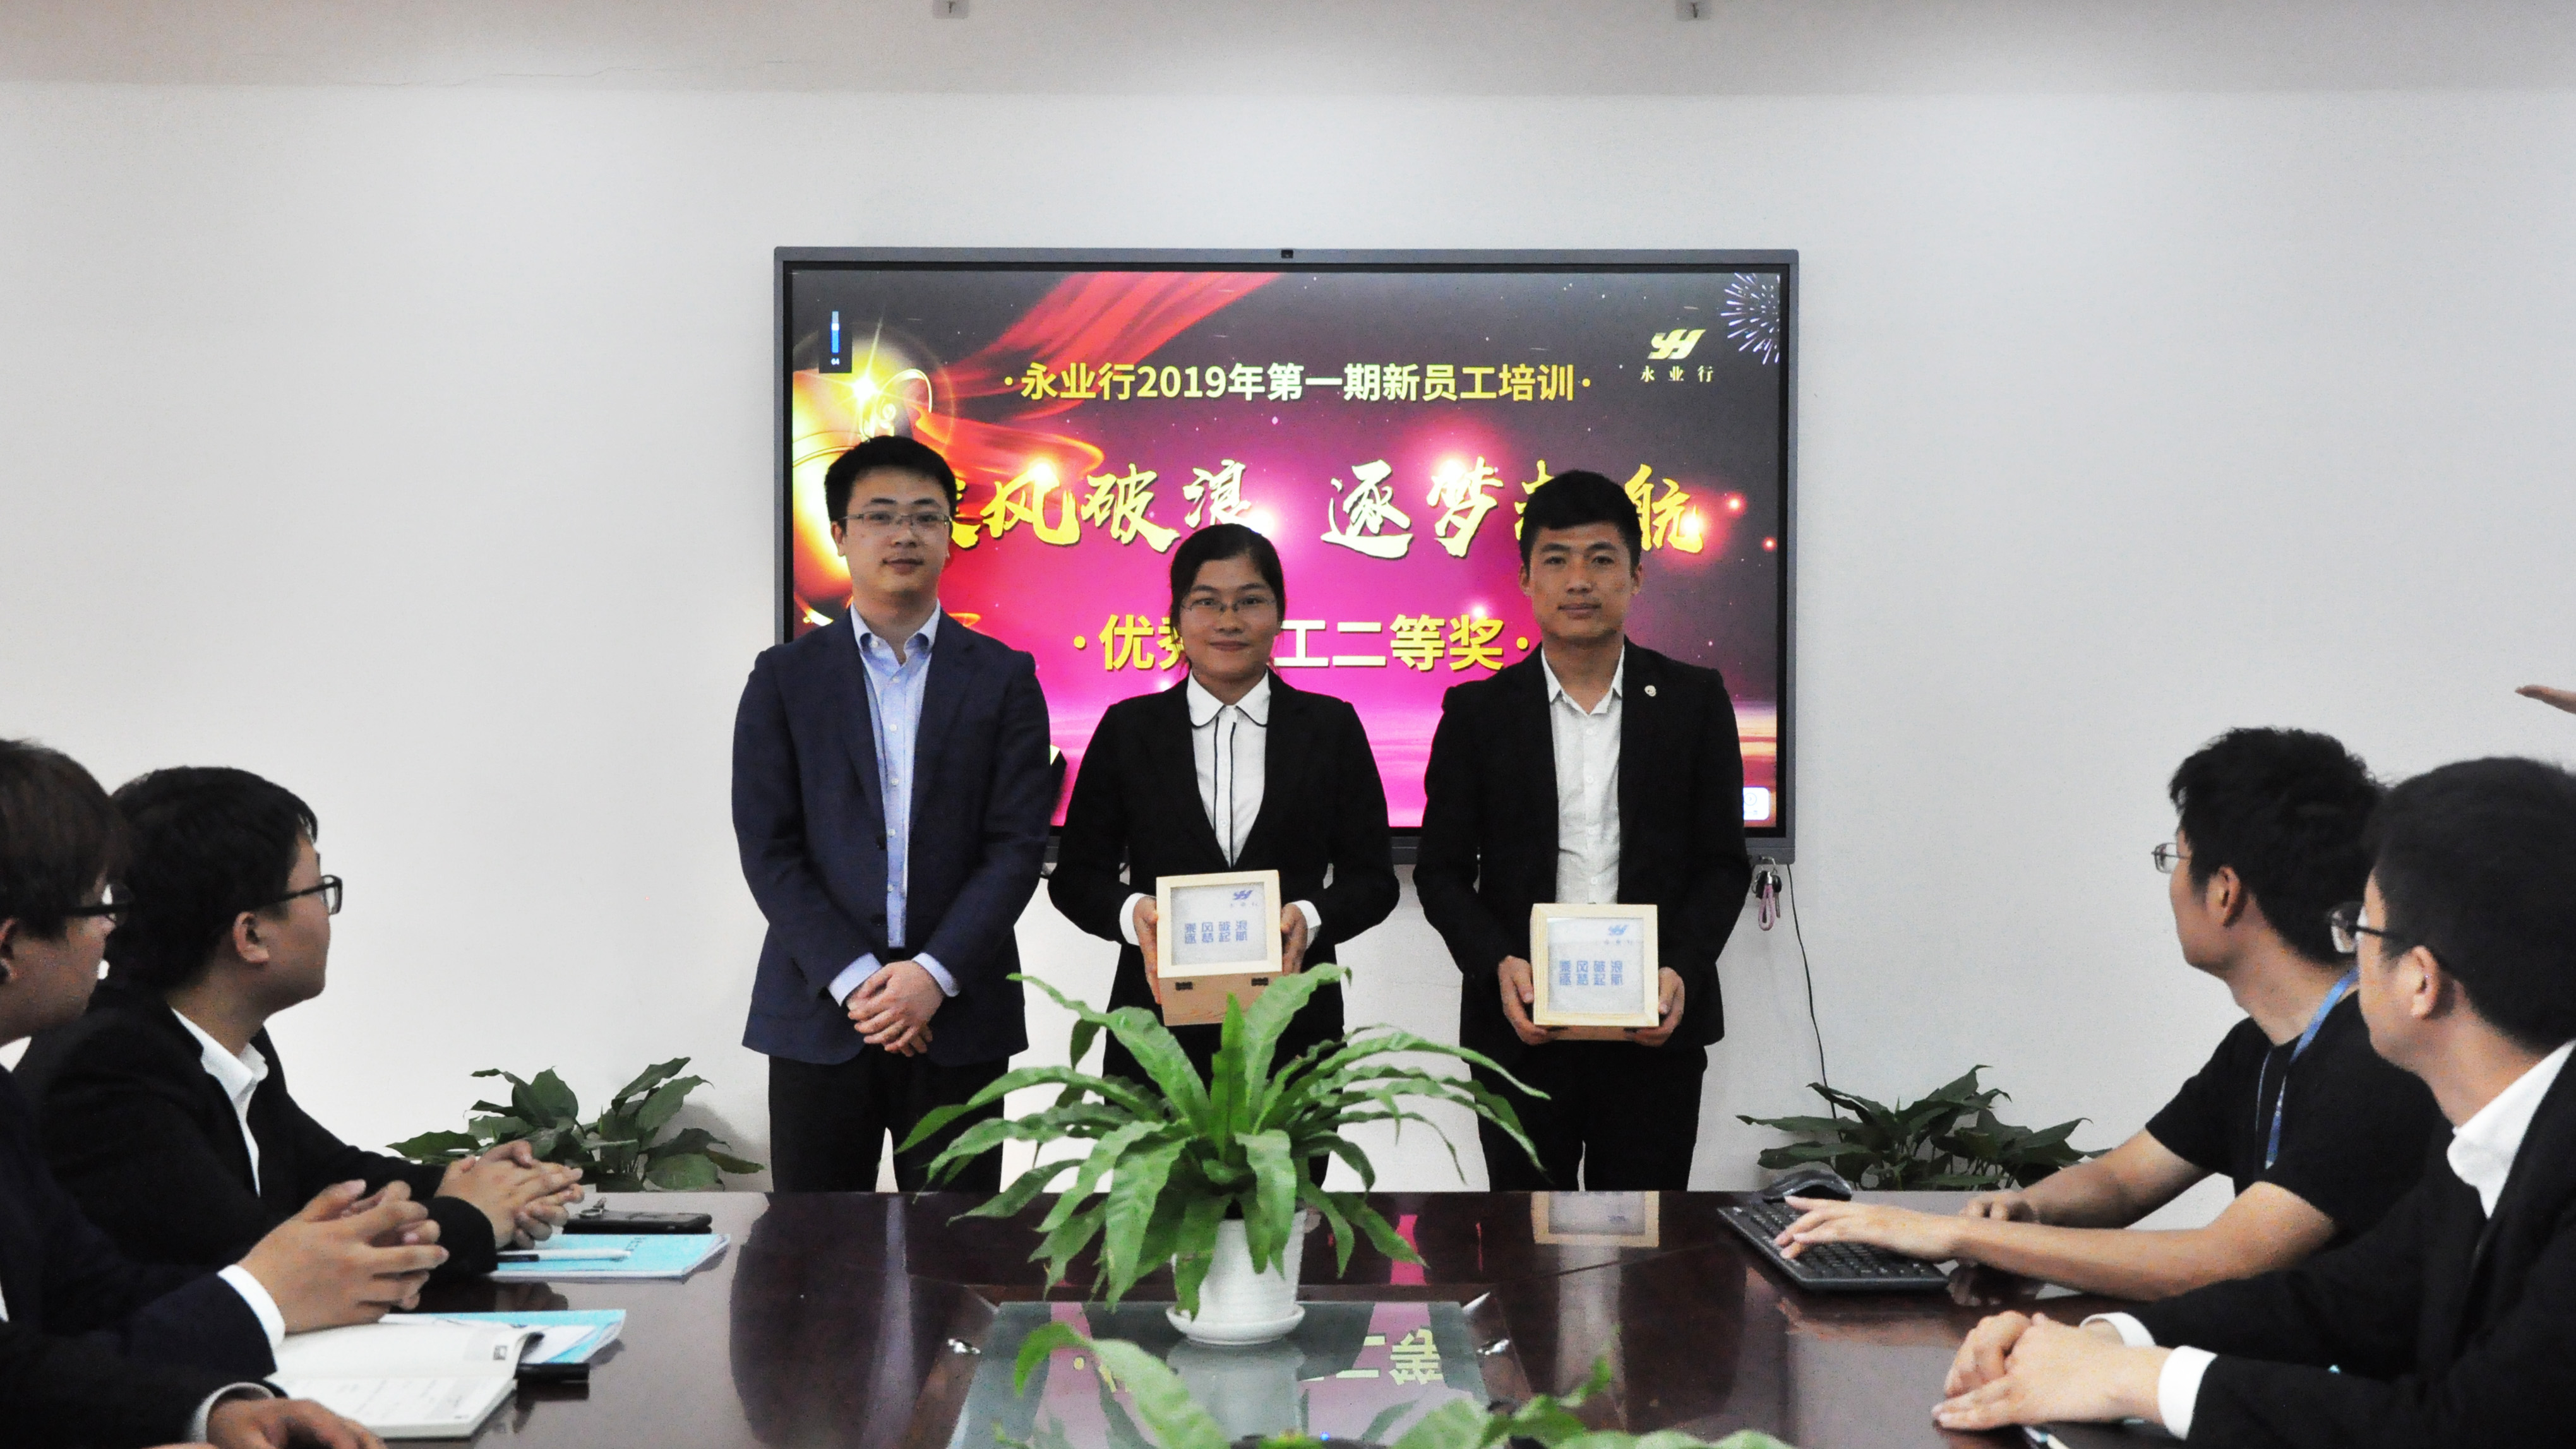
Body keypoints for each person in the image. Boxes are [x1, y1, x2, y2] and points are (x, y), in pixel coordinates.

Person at [1934, 756, 2576, 1445]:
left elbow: (2465, 1430)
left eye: (2359, 929)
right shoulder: (2480, 1139)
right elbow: (2337, 1302)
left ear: (2420, 981)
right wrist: (2105, 1340)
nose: (2347, 955)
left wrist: (2139, 1379)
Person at [1773, 729, 2444, 1299]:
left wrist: (1956, 1235)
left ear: (2224, 892)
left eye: (2175, 859)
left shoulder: (2377, 1062)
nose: (2170, 884)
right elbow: (2121, 1181)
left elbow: (2223, 1261)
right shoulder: (2258, 1047)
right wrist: (2030, 1207)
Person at [0, 737, 420, 1448]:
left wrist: (211, 1409)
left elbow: (85, 1298)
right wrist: (266, 1287)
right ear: (8, 946)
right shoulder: (109, 1061)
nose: (110, 928)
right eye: (95, 905)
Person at [18, 766, 582, 1277]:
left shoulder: (219, 1042)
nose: (328, 915)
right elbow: (266, 1262)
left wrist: (472, 1182)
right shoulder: (107, 1072)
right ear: (251, 934)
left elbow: (332, 1174)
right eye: (319, 889)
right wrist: (472, 1217)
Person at [1415, 469, 1753, 1190]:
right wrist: (1496, 963)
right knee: (1524, 1240)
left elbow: (1724, 863)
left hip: (1653, 1028)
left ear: (1635, 576)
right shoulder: (1477, 713)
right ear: (1526, 578)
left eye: (1601, 559)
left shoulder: (1693, 702)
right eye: (1556, 560)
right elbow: (1441, 871)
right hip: (1522, 1028)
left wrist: (1679, 968)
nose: (1578, 580)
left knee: (1644, 1238)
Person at [733, 434, 1054, 1191]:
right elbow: (769, 848)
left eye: (925, 516)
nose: (904, 535)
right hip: (820, 1014)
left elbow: (1015, 846)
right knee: (815, 1249)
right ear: (840, 535)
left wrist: (931, 976)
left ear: (949, 534)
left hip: (958, 1015)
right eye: (879, 516)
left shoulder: (1004, 677)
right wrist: (857, 981)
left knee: (957, 1247)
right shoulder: (784, 678)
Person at [1051, 524, 1399, 1083]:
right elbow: (1075, 877)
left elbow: (1373, 879)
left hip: (1294, 1029)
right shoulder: (1128, 729)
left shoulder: (1330, 727)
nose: (1229, 621)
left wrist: (1310, 920)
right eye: (1207, 602)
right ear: (1177, 616)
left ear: (1280, 614)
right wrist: (1134, 914)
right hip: (1155, 1031)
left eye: (1250, 601)